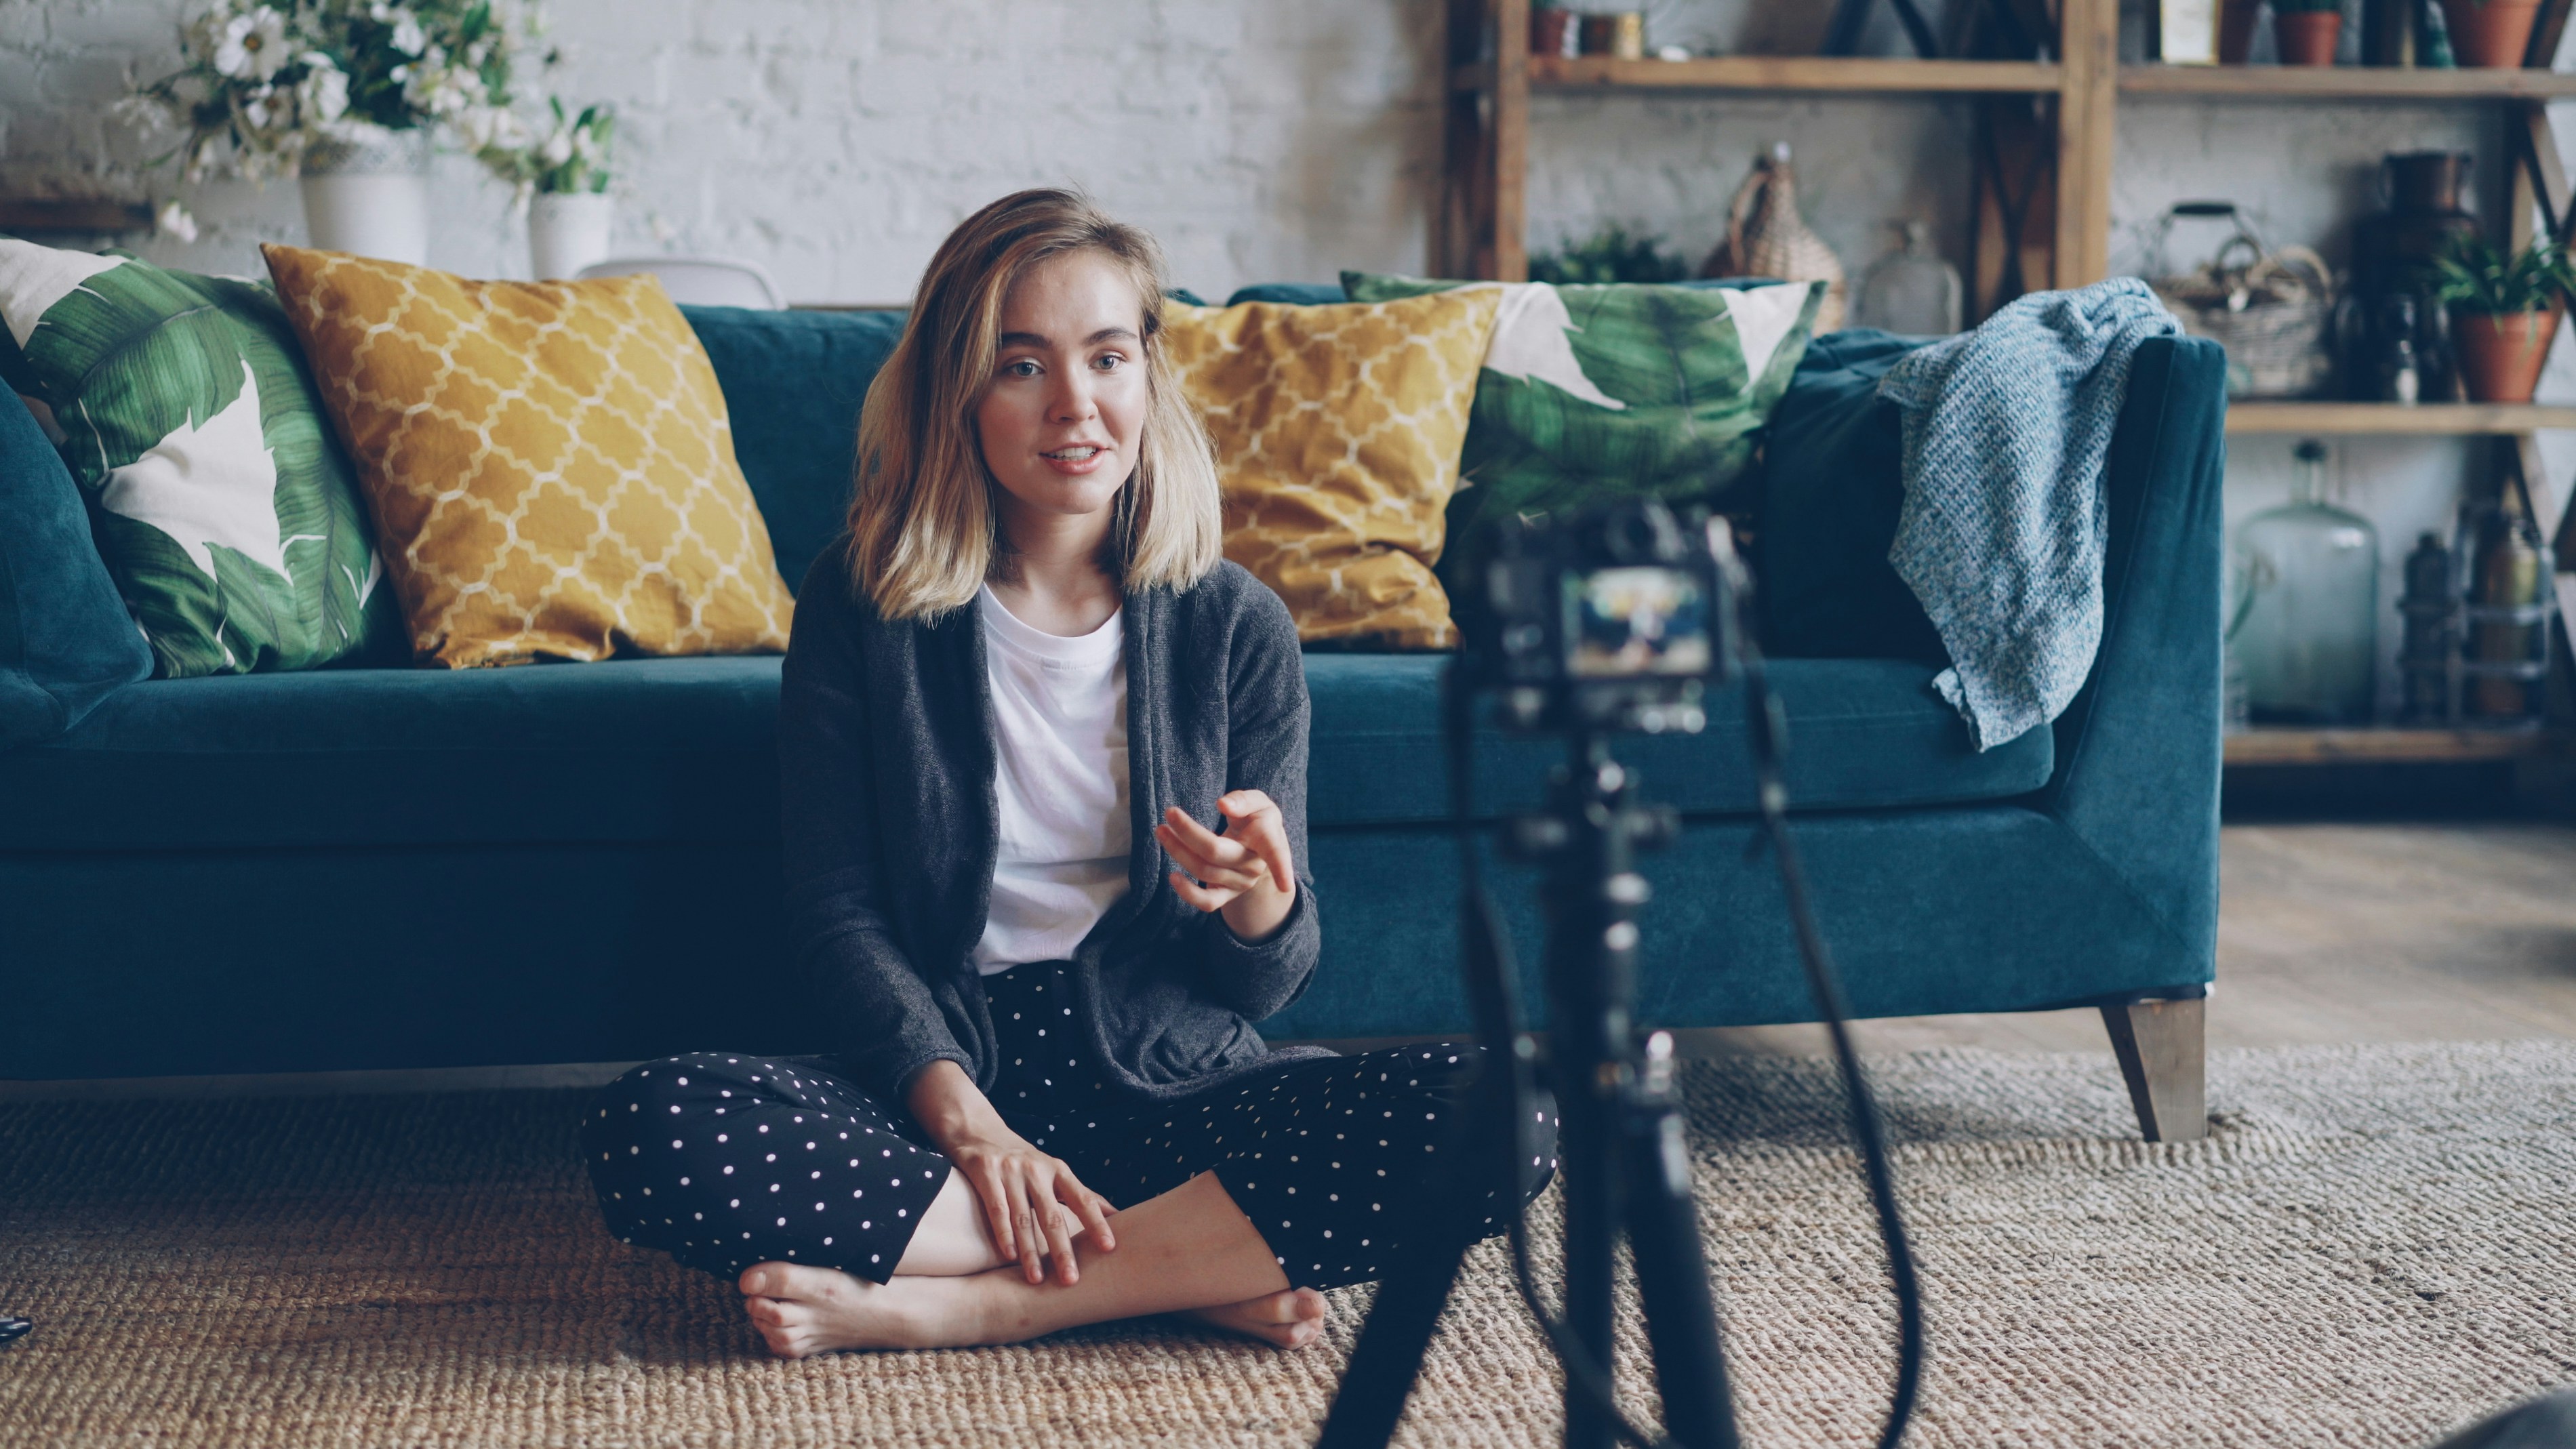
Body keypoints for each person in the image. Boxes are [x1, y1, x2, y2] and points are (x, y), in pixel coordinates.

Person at [582, 188, 1555, 1358]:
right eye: (1022, 366)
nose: (1077, 405)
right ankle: (1180, 1268)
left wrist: (1260, 903)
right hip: (943, 1100)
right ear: (959, 392)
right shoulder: (864, 606)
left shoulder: (1236, 627)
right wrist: (974, 1130)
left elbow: (1265, 987)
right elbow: (836, 914)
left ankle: (964, 1303)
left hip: (1176, 1091)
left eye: (1107, 357)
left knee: (1506, 1107)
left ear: (1151, 373)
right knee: (657, 1124)